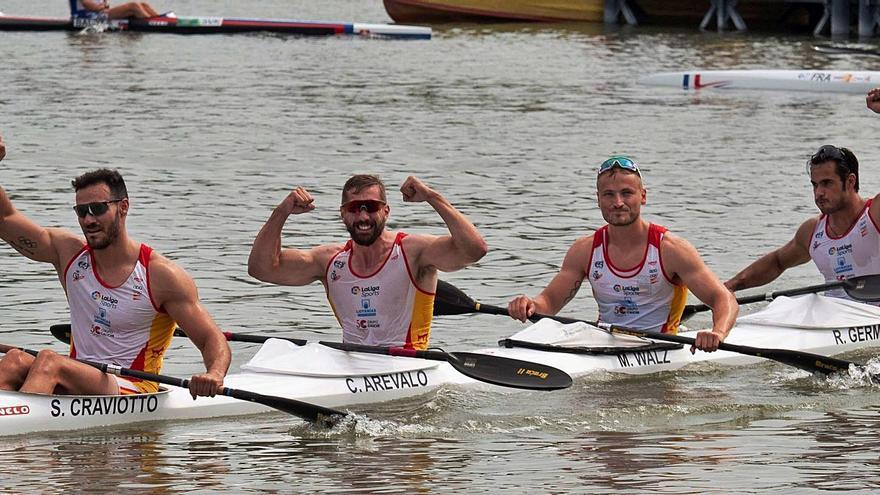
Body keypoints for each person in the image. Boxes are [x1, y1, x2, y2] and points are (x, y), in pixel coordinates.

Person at [0, 167, 230, 398]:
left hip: (133, 385)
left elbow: (211, 338)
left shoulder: (161, 276)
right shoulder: (69, 255)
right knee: (14, 360)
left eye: (98, 209)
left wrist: (214, 375)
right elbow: (5, 218)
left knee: (50, 361)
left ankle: (17, 424)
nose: (88, 219)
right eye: (81, 211)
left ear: (123, 207)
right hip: (78, 374)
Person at [507, 156, 738, 352]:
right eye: (609, 195)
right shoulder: (584, 250)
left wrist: (717, 332)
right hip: (605, 341)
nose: (618, 203)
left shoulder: (672, 250)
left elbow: (724, 299)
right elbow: (549, 303)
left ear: (643, 196)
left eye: (626, 193)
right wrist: (529, 305)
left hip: (660, 344)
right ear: (598, 199)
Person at [248, 174, 488, 350]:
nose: (363, 217)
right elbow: (262, 269)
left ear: (386, 211)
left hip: (407, 362)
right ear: (342, 214)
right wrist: (281, 212)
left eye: (371, 207)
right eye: (354, 208)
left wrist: (432, 197)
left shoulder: (414, 252)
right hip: (352, 363)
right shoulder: (329, 261)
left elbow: (474, 250)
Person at [725, 145, 880, 302]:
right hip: (835, 315)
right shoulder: (812, 230)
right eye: (815, 184)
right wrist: (729, 287)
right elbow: (777, 262)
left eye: (827, 183)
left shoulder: (874, 213)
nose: (819, 192)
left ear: (850, 181)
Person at [69, 0, 162, 20]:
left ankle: (161, 20)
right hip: (85, 18)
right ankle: (154, 23)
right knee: (133, 6)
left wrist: (103, 6)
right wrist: (102, 7)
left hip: (99, 14)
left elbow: (105, 4)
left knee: (143, 5)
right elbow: (90, 6)